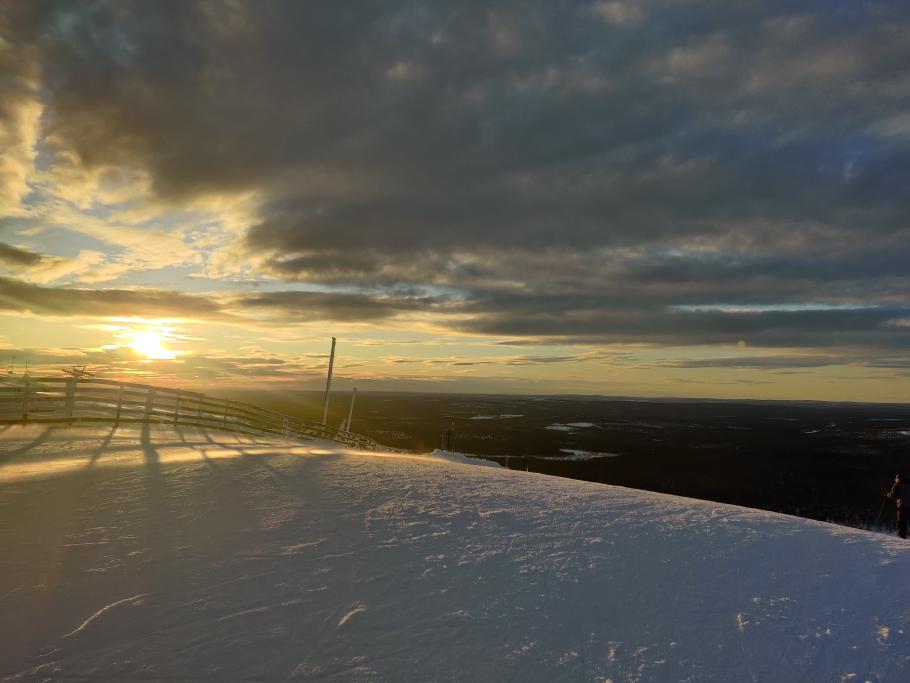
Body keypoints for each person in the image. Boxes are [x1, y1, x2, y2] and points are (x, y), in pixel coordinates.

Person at [886, 473, 910, 539]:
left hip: (902, 505)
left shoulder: (897, 485)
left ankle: (901, 537)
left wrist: (887, 495)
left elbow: (893, 495)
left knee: (901, 522)